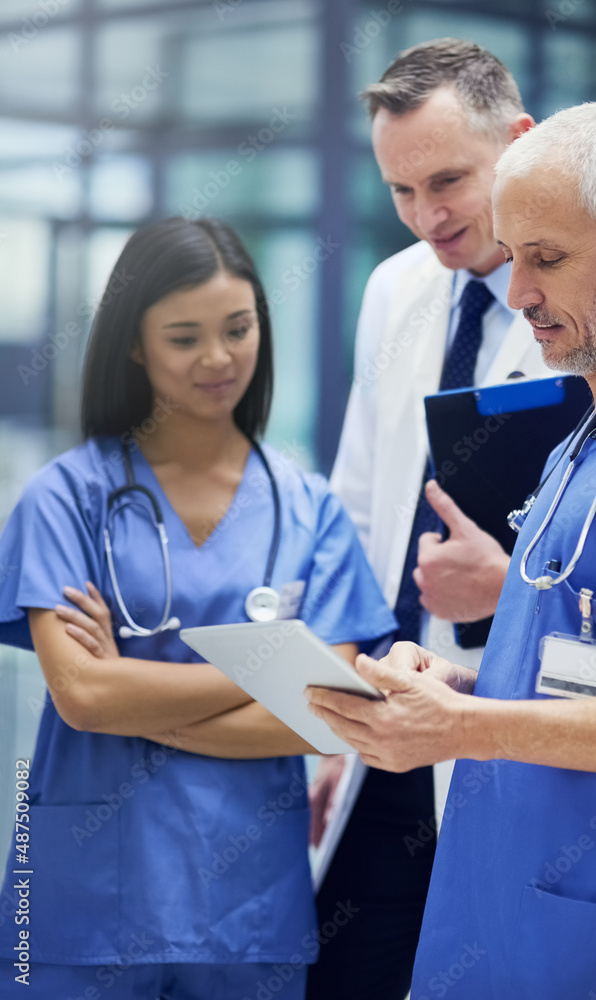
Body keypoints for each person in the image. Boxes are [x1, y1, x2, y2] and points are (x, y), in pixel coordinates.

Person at [308, 101, 596, 998]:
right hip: (503, 916)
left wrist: (467, 726)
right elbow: (594, 666)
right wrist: (463, 687)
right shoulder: (583, 436)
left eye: (545, 260)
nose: (517, 296)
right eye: (513, 260)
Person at [0, 217, 396, 1000]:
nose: (218, 359)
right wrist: (271, 663)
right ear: (134, 344)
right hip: (82, 903)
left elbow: (326, 718)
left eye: (238, 328)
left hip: (245, 912)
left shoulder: (308, 510)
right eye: (184, 337)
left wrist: (128, 694)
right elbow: (82, 695)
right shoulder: (64, 500)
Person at [307, 38, 554, 1000]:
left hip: (501, 722)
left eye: (447, 180)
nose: (426, 217)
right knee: (344, 969)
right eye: (401, 191)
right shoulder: (395, 289)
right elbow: (357, 505)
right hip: (385, 723)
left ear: (521, 143)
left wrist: (506, 592)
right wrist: (329, 731)